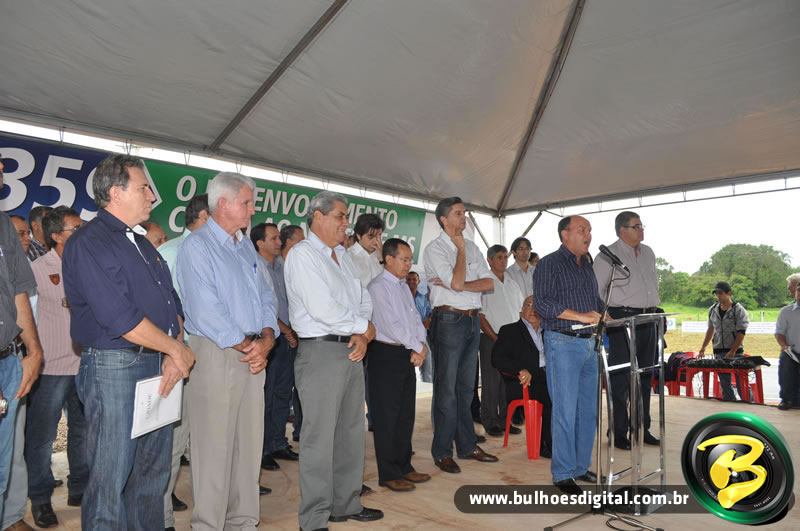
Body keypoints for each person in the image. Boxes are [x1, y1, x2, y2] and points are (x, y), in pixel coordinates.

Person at [63, 154, 195, 530]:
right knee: (111, 479)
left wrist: (172, 351)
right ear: (115, 192)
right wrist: (176, 349)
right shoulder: (89, 242)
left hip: (156, 364)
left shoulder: (141, 242)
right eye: (144, 188)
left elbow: (171, 305)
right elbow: (118, 317)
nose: (152, 196)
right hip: (115, 367)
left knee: (151, 477)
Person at [176, 172, 278, 530]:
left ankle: (243, 521)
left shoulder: (245, 246)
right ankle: (208, 524)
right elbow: (205, 309)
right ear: (223, 204)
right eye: (247, 203)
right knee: (213, 446)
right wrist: (250, 346)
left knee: (248, 444)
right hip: (217, 352)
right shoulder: (197, 247)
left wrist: (267, 339)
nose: (252, 210)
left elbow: (266, 296)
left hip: (253, 353)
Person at [284, 191, 383, 529]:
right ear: (318, 216)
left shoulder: (343, 255)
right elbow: (322, 308)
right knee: (319, 438)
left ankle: (345, 503)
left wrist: (363, 332)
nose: (346, 223)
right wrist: (362, 328)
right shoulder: (303, 255)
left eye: (346, 216)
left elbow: (363, 297)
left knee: (351, 432)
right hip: (321, 351)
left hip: (351, 347)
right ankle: (313, 518)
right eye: (340, 215)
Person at [423, 196, 497, 474]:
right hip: (449, 320)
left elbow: (488, 283)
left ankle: (467, 446)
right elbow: (455, 282)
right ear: (444, 220)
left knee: (466, 389)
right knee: (446, 390)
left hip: (472, 320)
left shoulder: (474, 246)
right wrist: (461, 254)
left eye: (464, 212)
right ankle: (442, 451)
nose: (463, 217)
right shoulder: (435, 249)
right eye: (458, 213)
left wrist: (461, 284)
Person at [25, 207, 87, 528]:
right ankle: (40, 499)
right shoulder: (37, 269)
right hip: (50, 367)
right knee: (42, 438)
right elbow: (27, 317)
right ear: (56, 236)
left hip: (84, 364)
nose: (83, 232)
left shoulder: (88, 265)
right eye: (76, 229)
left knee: (83, 431)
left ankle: (80, 489)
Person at [533, 215, 603, 495]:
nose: (588, 235)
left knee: (588, 411)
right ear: (565, 235)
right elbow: (543, 304)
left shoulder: (587, 265)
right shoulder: (549, 264)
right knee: (565, 410)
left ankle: (579, 467)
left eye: (590, 230)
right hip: (563, 343)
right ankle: (562, 473)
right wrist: (582, 316)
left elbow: (594, 302)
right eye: (582, 230)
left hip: (590, 345)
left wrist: (605, 315)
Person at [157, 193, 210, 528]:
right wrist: (175, 351)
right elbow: (165, 311)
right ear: (205, 217)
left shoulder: (214, 253)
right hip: (180, 354)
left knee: (204, 438)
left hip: (212, 355)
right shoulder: (171, 252)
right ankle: (162, 517)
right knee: (174, 440)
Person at [366, 238, 431, 492]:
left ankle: (405, 466)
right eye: (404, 259)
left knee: (405, 414)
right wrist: (416, 346)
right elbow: (390, 325)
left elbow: (415, 320)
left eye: (410, 260)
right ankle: (389, 473)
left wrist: (421, 345)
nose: (408, 264)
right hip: (385, 354)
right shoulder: (378, 287)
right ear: (389, 259)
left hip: (406, 353)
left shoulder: (404, 286)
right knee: (386, 416)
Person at [1, 158, 44, 531]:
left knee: (3, 466)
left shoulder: (2, 225)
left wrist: (33, 350)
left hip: (8, 362)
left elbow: (19, 290)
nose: (1, 165)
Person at [593, 211, 660, 450]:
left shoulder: (648, 252)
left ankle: (642, 427)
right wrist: (608, 316)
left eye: (642, 225)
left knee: (645, 376)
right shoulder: (607, 256)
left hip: (648, 318)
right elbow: (596, 291)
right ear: (622, 230)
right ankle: (618, 431)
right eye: (636, 226)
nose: (641, 230)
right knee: (620, 378)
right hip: (622, 320)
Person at [251, 222, 299, 472]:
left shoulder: (282, 266)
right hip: (270, 338)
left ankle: (278, 442)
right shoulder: (254, 266)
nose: (279, 242)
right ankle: (262, 450)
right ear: (260, 243)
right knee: (266, 396)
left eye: (279, 238)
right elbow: (263, 305)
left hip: (289, 337)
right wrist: (285, 329)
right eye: (274, 238)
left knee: (283, 393)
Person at [491, 296, 553, 458]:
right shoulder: (509, 330)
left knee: (569, 395)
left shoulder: (549, 332)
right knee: (552, 397)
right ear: (521, 311)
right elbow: (497, 359)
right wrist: (520, 370)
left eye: (537, 306)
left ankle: (563, 442)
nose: (533, 309)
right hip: (523, 383)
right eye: (529, 305)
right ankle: (547, 444)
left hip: (548, 377)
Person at [479, 245, 524, 437]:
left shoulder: (512, 283)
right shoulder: (484, 282)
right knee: (491, 382)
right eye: (499, 257)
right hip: (491, 338)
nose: (504, 261)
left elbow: (520, 312)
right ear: (489, 260)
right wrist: (496, 338)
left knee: (509, 383)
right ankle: (490, 421)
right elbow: (480, 316)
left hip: (511, 341)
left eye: (506, 257)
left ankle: (506, 420)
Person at [698, 281, 750, 401]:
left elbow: (741, 332)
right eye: (716, 293)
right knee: (725, 384)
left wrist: (733, 351)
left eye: (721, 293)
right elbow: (710, 330)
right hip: (719, 351)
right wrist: (703, 347)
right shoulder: (712, 310)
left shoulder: (738, 310)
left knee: (741, 384)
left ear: (729, 293)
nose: (718, 296)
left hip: (736, 352)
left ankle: (748, 403)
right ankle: (730, 404)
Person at [280, 224, 305, 443]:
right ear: (288, 242)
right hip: (281, 335)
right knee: (279, 390)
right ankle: (274, 441)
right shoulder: (278, 266)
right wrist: (286, 330)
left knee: (299, 386)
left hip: (299, 334)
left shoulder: (300, 267)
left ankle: (297, 431)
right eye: (300, 239)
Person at [776, 284, 800, 410]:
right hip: (791, 352)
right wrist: (784, 345)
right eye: (799, 290)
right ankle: (786, 400)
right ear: (795, 292)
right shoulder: (786, 312)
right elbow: (779, 333)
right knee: (786, 370)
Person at [407, 271, 433, 383]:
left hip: (422, 336)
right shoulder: (401, 298)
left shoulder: (423, 298)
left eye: (414, 279)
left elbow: (430, 314)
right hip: (406, 336)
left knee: (427, 363)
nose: (411, 282)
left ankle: (427, 385)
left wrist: (428, 320)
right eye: (409, 279)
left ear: (418, 281)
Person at [347, 213, 385, 289]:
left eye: (379, 235)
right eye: (371, 236)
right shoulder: (348, 257)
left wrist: (382, 260)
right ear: (359, 235)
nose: (376, 241)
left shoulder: (383, 257)